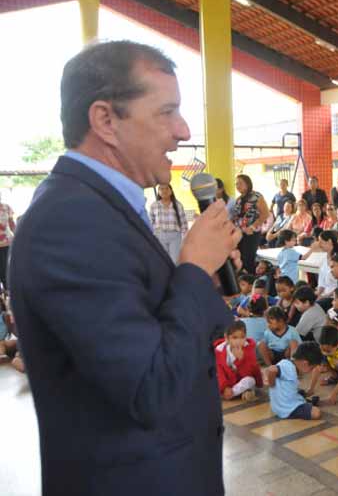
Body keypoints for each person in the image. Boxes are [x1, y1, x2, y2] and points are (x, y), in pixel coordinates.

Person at [8, 41, 242, 495]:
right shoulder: (69, 221)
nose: (183, 129)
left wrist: (198, 276)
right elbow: (149, 386)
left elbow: (144, 321)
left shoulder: (103, 208)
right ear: (105, 120)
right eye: (166, 112)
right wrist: (191, 271)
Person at [265, 341, 323, 420]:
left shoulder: (292, 366)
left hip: (281, 404)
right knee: (316, 413)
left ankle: (305, 401)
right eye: (312, 368)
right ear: (305, 363)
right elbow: (271, 370)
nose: (311, 370)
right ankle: (305, 403)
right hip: (287, 409)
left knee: (300, 392)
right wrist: (272, 385)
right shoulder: (287, 366)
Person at [215, 320, 262, 401]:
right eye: (234, 337)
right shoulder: (220, 350)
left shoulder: (248, 349)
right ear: (227, 338)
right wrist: (224, 387)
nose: (239, 341)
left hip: (241, 380)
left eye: (242, 337)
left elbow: (250, 373)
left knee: (250, 380)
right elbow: (220, 372)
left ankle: (231, 394)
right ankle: (235, 393)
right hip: (227, 381)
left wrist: (240, 360)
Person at [233, 174, 270, 274]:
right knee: (240, 259)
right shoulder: (239, 199)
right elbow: (236, 217)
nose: (238, 186)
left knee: (248, 259)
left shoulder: (257, 196)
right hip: (239, 233)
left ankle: (250, 282)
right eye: (236, 184)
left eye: (240, 183)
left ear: (248, 184)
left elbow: (265, 213)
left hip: (252, 233)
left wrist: (253, 227)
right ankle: (243, 282)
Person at [148, 182, 188, 263]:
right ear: (158, 192)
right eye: (161, 189)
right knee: (162, 261)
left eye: (166, 188)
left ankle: (175, 276)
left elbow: (183, 223)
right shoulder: (154, 205)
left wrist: (185, 239)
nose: (164, 191)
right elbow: (150, 222)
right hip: (160, 236)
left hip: (175, 237)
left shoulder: (178, 205)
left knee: (174, 261)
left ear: (171, 191)